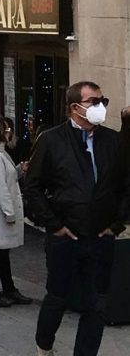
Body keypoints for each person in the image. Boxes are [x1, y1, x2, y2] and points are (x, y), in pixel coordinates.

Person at [25, 81, 130, 356]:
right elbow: (32, 186)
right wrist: (54, 225)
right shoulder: (51, 140)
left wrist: (116, 224)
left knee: (96, 304)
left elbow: (126, 185)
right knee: (57, 297)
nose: (100, 107)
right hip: (65, 236)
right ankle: (44, 345)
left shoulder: (113, 141)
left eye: (102, 101)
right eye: (93, 102)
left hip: (100, 237)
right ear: (75, 108)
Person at [0, 118, 32, 308]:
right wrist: (9, 211)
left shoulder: (0, 153)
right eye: (6, 130)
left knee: (2, 254)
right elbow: (0, 186)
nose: (9, 132)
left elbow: (7, 177)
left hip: (1, 213)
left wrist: (19, 169)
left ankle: (8, 288)